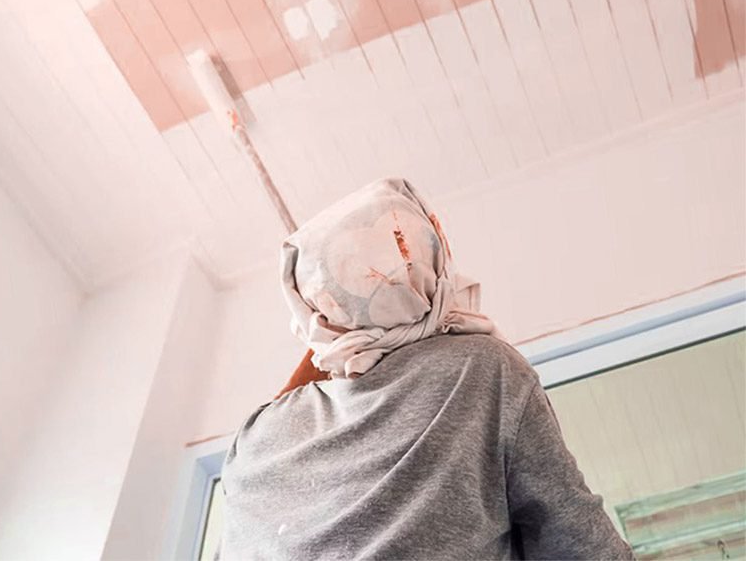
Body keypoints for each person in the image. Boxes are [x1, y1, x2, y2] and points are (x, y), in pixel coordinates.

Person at [218, 177, 635, 560]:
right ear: (435, 256)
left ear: (309, 309)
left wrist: (330, 334)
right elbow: (580, 545)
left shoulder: (255, 438)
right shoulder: (482, 370)